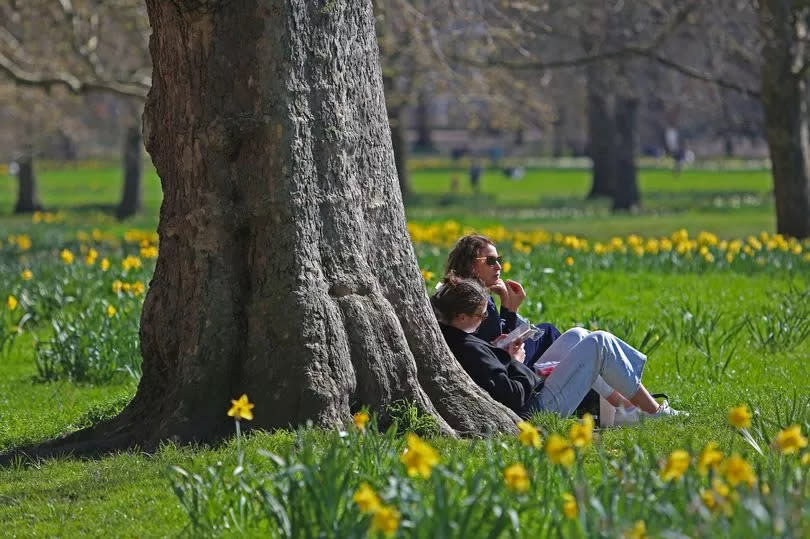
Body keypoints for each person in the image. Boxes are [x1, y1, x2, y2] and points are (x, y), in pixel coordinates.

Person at [430, 275, 687, 420]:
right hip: (534, 411)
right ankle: (654, 412)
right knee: (599, 343)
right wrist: (518, 363)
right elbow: (512, 396)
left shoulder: (454, 336)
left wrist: (513, 361)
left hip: (529, 391)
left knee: (577, 336)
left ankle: (623, 411)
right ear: (461, 317)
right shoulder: (468, 346)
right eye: (482, 315)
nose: (485, 320)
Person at [443, 234, 560, 367]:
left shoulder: (460, 291)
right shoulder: (472, 300)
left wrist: (506, 304)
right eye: (490, 261)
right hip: (498, 367)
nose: (499, 266)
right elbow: (501, 343)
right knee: (549, 332)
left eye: (499, 260)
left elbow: (497, 337)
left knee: (546, 331)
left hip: (493, 361)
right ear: (471, 265)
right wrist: (510, 309)